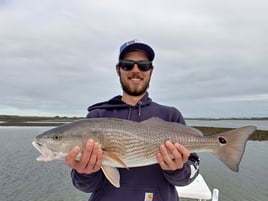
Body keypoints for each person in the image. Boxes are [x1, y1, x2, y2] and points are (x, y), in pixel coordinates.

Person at [65, 40, 200, 201]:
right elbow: (86, 186)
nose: (136, 70)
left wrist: (177, 170)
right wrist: (85, 172)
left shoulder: (170, 116)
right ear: (118, 69)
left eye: (143, 65)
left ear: (151, 70)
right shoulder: (97, 117)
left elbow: (187, 176)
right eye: (128, 64)